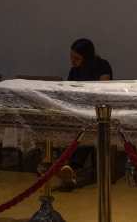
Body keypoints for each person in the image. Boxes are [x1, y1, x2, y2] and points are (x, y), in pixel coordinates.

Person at [59, 38, 112, 190]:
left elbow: (103, 91)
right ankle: (63, 165)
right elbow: (69, 91)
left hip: (99, 112)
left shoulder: (102, 66)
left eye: (76, 58)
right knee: (70, 126)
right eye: (71, 58)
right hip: (78, 110)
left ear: (86, 56)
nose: (73, 61)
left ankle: (72, 167)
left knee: (88, 128)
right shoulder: (74, 70)